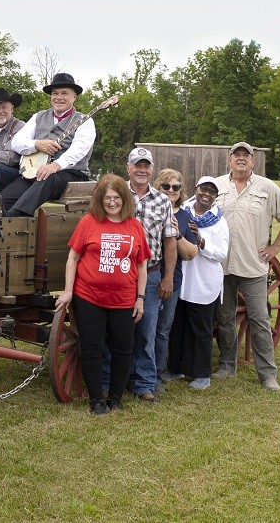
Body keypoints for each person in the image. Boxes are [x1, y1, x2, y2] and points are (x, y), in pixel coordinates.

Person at [55, 174, 149, 415]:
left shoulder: (134, 226)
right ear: (100, 199)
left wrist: (140, 298)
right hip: (90, 298)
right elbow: (73, 257)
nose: (112, 202)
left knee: (122, 349)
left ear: (124, 199)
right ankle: (97, 400)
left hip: (124, 300)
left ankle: (116, 398)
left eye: (116, 197)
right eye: (107, 198)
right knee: (92, 348)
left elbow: (141, 265)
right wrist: (68, 291)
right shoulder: (88, 222)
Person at [214, 141, 280, 391]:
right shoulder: (217, 186)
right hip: (222, 267)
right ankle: (227, 365)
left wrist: (275, 249)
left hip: (253, 266)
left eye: (246, 156)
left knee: (259, 318)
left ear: (253, 161)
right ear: (229, 159)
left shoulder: (267, 188)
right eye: (236, 155)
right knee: (225, 319)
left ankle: (267, 374)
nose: (241, 159)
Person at [0, 73, 95, 218]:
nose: (59, 97)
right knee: (3, 199)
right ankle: (1, 224)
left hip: (71, 174)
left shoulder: (85, 121)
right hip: (37, 172)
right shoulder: (39, 116)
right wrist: (37, 144)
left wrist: (56, 165)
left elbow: (79, 149)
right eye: (55, 93)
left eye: (64, 93)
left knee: (49, 178)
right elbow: (16, 142)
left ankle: (12, 217)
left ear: (74, 97)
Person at [124, 147, 178, 402]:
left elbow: (169, 241)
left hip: (153, 272)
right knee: (118, 329)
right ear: (129, 168)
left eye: (146, 166)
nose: (142, 170)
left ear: (152, 170)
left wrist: (168, 278)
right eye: (137, 165)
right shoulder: (117, 194)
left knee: (147, 330)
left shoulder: (162, 200)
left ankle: (145, 384)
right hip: (120, 272)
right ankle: (116, 378)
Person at [168, 176, 229, 390]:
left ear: (216, 197)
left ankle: (202, 373)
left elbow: (222, 253)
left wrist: (201, 241)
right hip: (182, 277)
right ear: (197, 189)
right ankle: (175, 368)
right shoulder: (183, 211)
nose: (206, 194)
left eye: (212, 192)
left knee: (201, 328)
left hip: (204, 280)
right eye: (204, 189)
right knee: (178, 325)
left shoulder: (219, 221)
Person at [153, 168, 198, 392]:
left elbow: (190, 254)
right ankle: (137, 372)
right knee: (142, 328)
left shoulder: (184, 217)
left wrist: (176, 233)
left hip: (172, 278)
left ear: (181, 191)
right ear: (158, 187)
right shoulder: (149, 208)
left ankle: (157, 373)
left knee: (162, 330)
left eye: (176, 187)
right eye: (166, 186)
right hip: (147, 274)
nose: (171, 191)